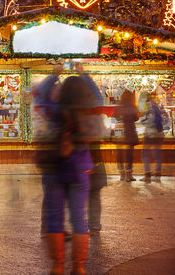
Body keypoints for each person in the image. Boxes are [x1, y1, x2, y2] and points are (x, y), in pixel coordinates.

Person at [38, 74, 94, 275]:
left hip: (55, 169)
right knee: (79, 217)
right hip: (79, 169)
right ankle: (78, 266)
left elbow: (40, 95)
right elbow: (98, 97)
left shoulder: (54, 111)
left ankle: (57, 265)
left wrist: (54, 74)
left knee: (55, 217)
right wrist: (85, 75)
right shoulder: (88, 112)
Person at [74, 63, 106, 234]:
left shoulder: (75, 112)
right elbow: (98, 96)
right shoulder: (93, 111)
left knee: (80, 194)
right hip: (92, 158)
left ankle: (82, 226)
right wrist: (83, 74)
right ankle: (92, 226)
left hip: (82, 159)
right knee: (92, 194)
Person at [140, 92, 166, 183]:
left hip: (151, 134)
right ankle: (158, 174)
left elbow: (146, 120)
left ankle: (147, 175)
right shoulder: (157, 105)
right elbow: (163, 119)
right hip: (159, 133)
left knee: (145, 154)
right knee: (157, 153)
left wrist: (142, 121)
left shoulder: (148, 106)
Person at [115, 90, 139, 182]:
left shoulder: (118, 106)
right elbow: (136, 118)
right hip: (129, 130)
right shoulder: (132, 106)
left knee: (119, 153)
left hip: (119, 131)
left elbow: (115, 117)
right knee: (129, 153)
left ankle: (121, 174)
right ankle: (129, 175)